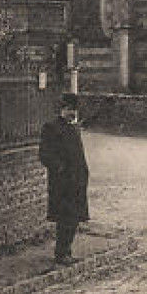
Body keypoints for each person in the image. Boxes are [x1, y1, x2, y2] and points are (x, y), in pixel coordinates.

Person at [38, 91, 89, 265]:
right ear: (61, 109)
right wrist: (60, 168)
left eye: (74, 110)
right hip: (62, 183)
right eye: (69, 109)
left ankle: (67, 251)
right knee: (64, 218)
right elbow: (44, 154)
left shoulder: (73, 128)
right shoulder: (51, 127)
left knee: (74, 218)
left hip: (76, 182)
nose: (72, 113)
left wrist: (83, 175)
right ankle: (60, 253)